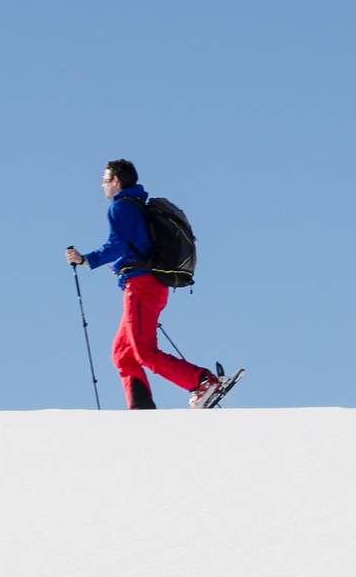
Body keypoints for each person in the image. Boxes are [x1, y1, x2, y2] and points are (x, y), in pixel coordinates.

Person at [65, 159, 231, 409]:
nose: (102, 186)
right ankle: (142, 410)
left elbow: (117, 245)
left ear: (116, 181)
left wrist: (86, 259)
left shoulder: (120, 207)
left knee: (144, 350)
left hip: (142, 285)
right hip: (149, 284)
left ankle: (203, 382)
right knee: (123, 353)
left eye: (104, 180)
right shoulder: (138, 206)